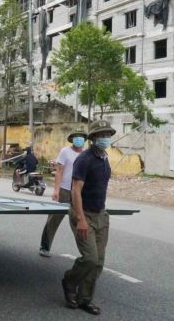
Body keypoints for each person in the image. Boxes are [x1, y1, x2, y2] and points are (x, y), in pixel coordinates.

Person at [62, 119, 115, 315]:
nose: (105, 138)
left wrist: (102, 213)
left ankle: (85, 299)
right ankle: (69, 281)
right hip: (83, 214)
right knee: (90, 258)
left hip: (101, 214)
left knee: (98, 262)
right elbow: (76, 191)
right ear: (92, 138)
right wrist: (81, 219)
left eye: (107, 134)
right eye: (101, 135)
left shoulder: (104, 158)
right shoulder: (84, 159)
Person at [39, 130, 87, 257]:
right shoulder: (65, 151)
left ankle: (87, 253)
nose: (79, 139)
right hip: (65, 190)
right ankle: (45, 246)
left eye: (81, 137)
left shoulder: (86, 154)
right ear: (72, 139)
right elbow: (59, 171)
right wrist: (56, 190)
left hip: (80, 192)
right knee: (54, 219)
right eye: (77, 137)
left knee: (81, 221)